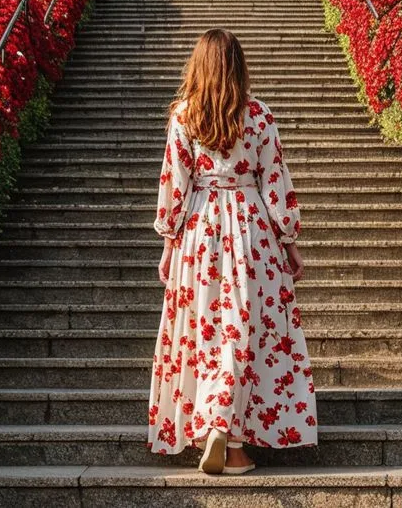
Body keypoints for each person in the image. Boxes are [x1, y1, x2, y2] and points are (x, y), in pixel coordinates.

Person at [147, 28, 318, 475]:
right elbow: (275, 182)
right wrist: (290, 241)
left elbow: (174, 186)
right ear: (239, 66)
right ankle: (235, 437)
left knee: (205, 329)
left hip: (200, 231)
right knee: (246, 327)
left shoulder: (183, 116)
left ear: (198, 66)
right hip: (251, 229)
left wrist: (168, 243)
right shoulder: (259, 116)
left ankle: (213, 423)